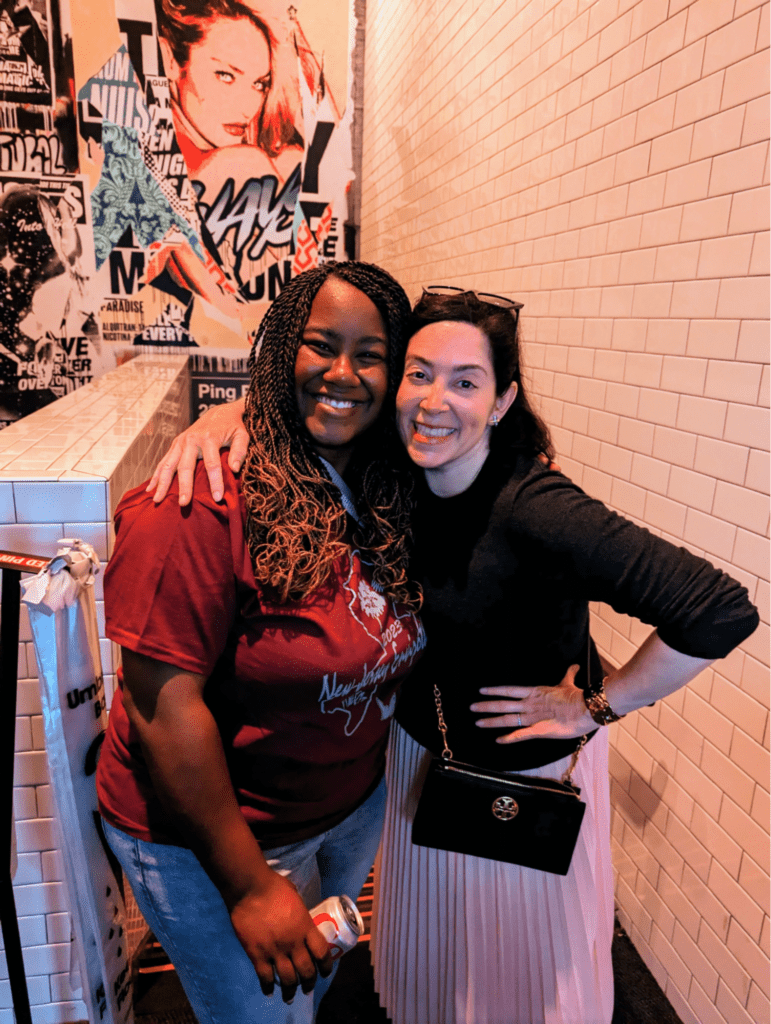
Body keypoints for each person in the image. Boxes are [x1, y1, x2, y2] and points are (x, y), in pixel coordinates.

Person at [152, 284, 758, 1024]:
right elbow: (310, 405)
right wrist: (223, 418)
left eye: (465, 381)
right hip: (420, 769)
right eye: (418, 372)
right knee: (433, 972)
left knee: (523, 982)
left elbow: (718, 610)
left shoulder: (536, 507)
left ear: (502, 402)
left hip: (520, 779)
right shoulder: (400, 466)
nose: (434, 399)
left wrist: (600, 704)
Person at [96, 261, 426, 1024]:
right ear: (281, 352)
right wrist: (248, 886)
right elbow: (159, 704)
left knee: (302, 994)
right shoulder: (193, 506)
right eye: (319, 347)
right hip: (218, 839)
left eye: (370, 354)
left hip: (347, 807)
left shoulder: (391, 485)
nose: (343, 373)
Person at [155, 0, 302, 181]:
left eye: (259, 84)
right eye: (225, 76)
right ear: (168, 60)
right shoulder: (243, 166)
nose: (247, 109)